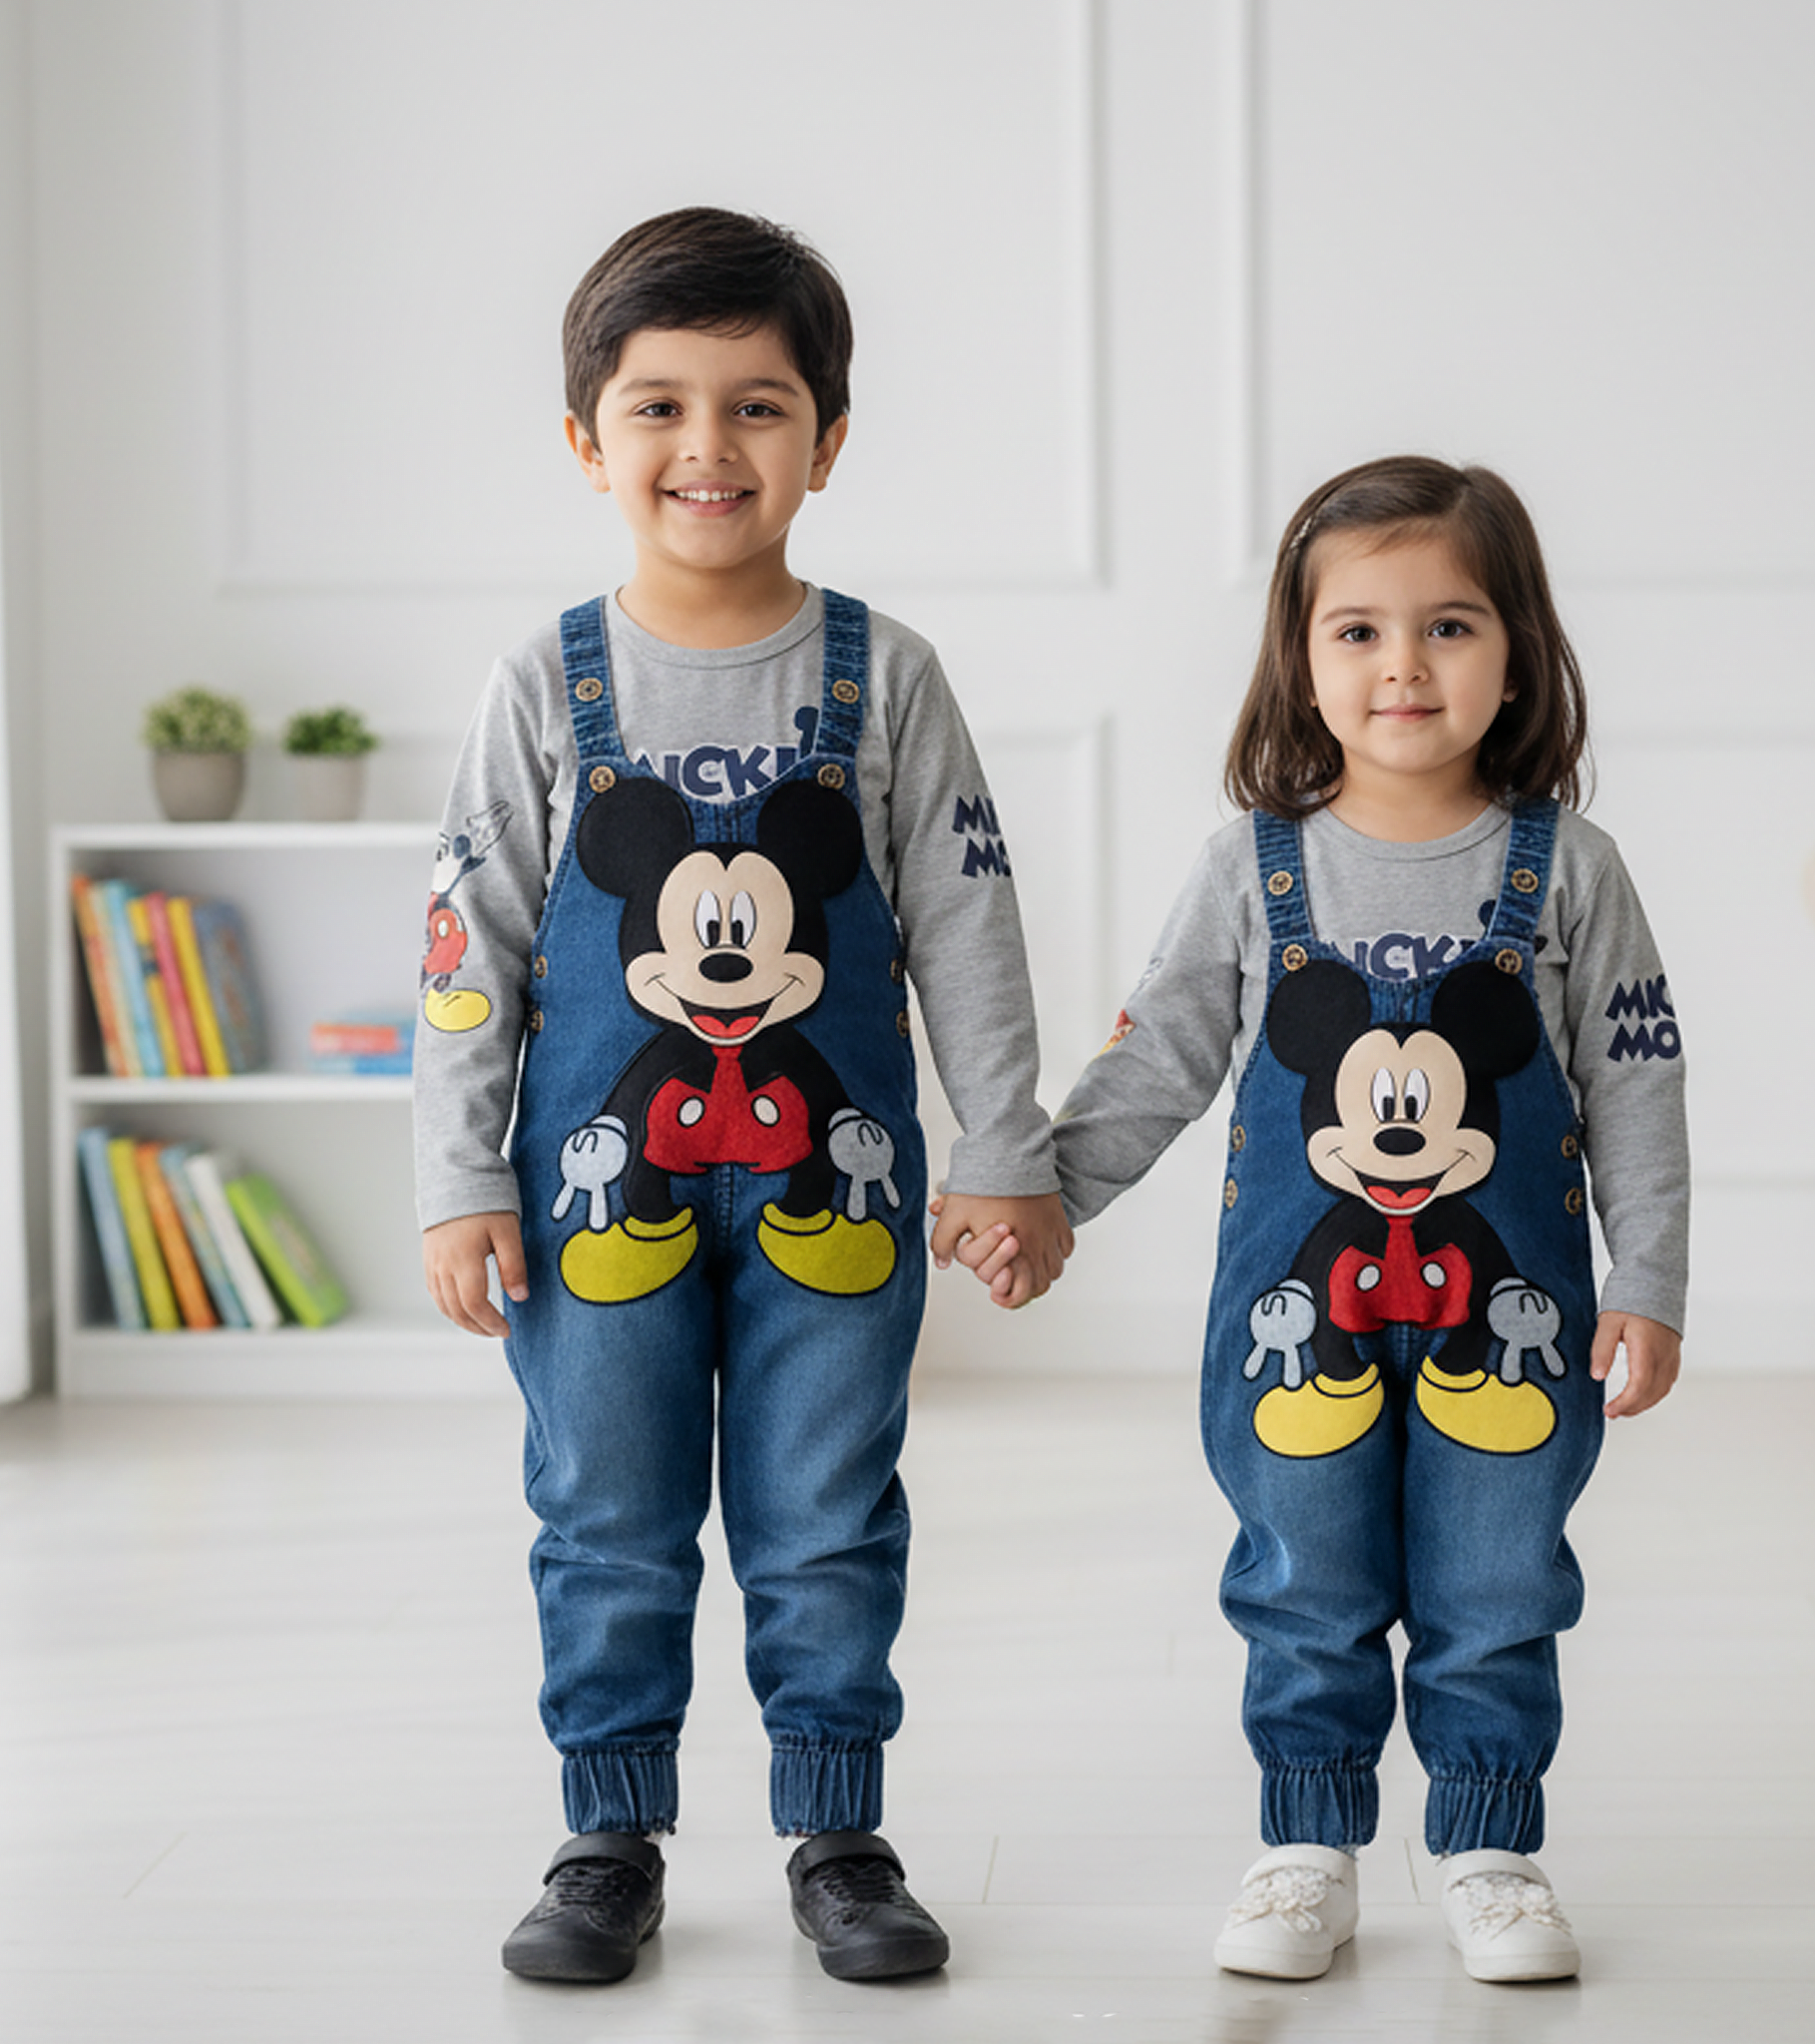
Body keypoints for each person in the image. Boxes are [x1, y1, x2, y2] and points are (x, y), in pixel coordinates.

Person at [414, 207, 1072, 1988]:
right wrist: (457, 1172)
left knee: (828, 1505)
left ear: (828, 441)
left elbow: (969, 933)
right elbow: (469, 939)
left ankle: (838, 1829)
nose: (709, 449)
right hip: (591, 1199)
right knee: (606, 1506)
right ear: (588, 441)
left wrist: (1009, 1154)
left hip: (835, 1199)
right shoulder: (544, 683)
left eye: (760, 407)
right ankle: (606, 1832)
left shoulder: (887, 678)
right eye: (660, 408)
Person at [953, 455, 1686, 1983]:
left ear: (1520, 651)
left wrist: (1652, 1279)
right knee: (1305, 1578)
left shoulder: (1571, 870)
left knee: (1497, 1583)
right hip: (1301, 1323)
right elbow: (1158, 1056)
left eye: (1450, 626)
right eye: (1356, 630)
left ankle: (1489, 1845)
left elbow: (1633, 1083)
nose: (1403, 666)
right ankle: (1307, 1847)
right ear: (1298, 656)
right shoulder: (1252, 870)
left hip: (1515, 1321)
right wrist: (1052, 1199)